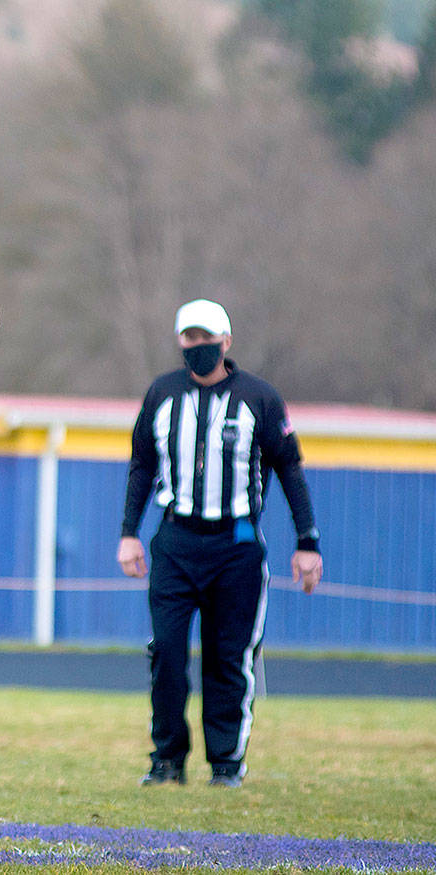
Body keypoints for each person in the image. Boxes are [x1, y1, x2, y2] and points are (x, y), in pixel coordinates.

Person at [117, 298, 323, 788]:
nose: (198, 345)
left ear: (226, 342)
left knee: (228, 656)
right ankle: (167, 759)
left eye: (207, 337)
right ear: (180, 341)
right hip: (176, 537)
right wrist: (128, 533)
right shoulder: (162, 393)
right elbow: (142, 465)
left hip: (237, 541)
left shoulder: (259, 397)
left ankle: (226, 762)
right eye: (190, 337)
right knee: (166, 652)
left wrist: (307, 540)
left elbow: (289, 467)